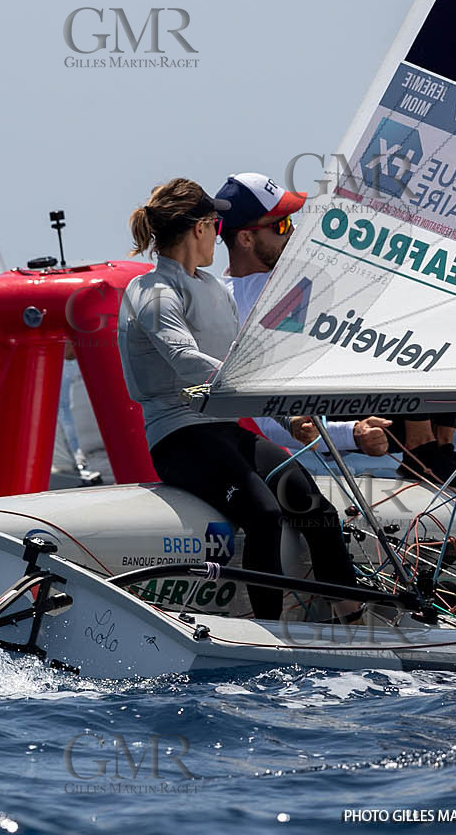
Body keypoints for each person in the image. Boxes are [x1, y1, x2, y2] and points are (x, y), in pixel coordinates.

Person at [118, 177, 359, 621]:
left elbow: (240, 365)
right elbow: (185, 359)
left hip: (223, 431)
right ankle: (268, 634)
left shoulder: (211, 288)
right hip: (178, 438)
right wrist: (255, 391)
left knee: (314, 506)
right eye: (215, 224)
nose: (219, 235)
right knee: (264, 515)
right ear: (200, 228)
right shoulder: (150, 292)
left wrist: (290, 420)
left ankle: (354, 618)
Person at [213, 172, 456, 481]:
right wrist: (354, 434)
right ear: (246, 239)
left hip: (363, 394)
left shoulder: (297, 276)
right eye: (281, 226)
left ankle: (439, 445)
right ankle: (421, 446)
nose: (292, 233)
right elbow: (270, 418)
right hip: (322, 412)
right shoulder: (229, 306)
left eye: (294, 223)